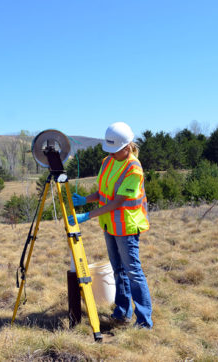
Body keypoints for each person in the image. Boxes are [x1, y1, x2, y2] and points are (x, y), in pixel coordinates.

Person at [68, 121, 153, 329]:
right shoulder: (108, 161)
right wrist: (86, 199)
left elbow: (117, 202)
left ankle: (144, 321)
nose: (112, 154)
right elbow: (104, 193)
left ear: (127, 147)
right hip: (110, 225)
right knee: (118, 271)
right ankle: (122, 312)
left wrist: (87, 215)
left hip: (127, 227)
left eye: (115, 151)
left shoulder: (134, 169)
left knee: (133, 272)